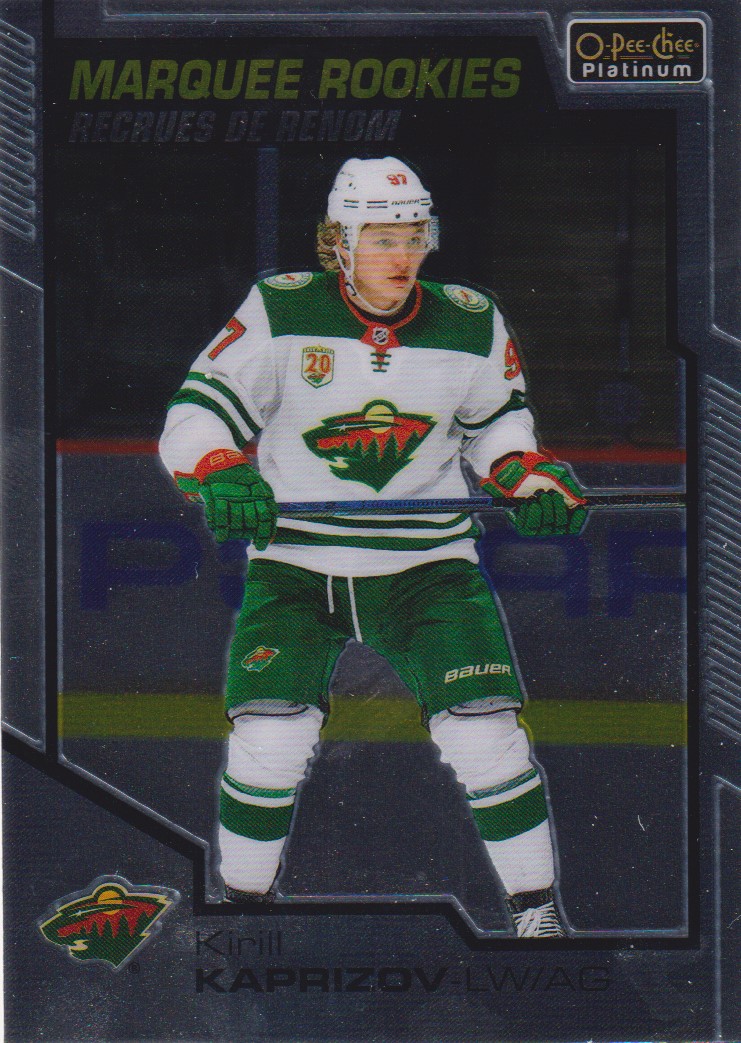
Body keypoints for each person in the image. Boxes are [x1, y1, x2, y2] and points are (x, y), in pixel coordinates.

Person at [159, 156, 587, 937]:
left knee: (487, 736)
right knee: (268, 738)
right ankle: (241, 916)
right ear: (339, 241)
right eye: (383, 238)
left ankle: (537, 914)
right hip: (295, 566)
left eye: (414, 236)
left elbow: (497, 425)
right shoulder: (281, 307)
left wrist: (525, 475)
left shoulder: (470, 317)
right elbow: (197, 412)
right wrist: (218, 466)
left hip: (428, 569)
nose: (402, 255)